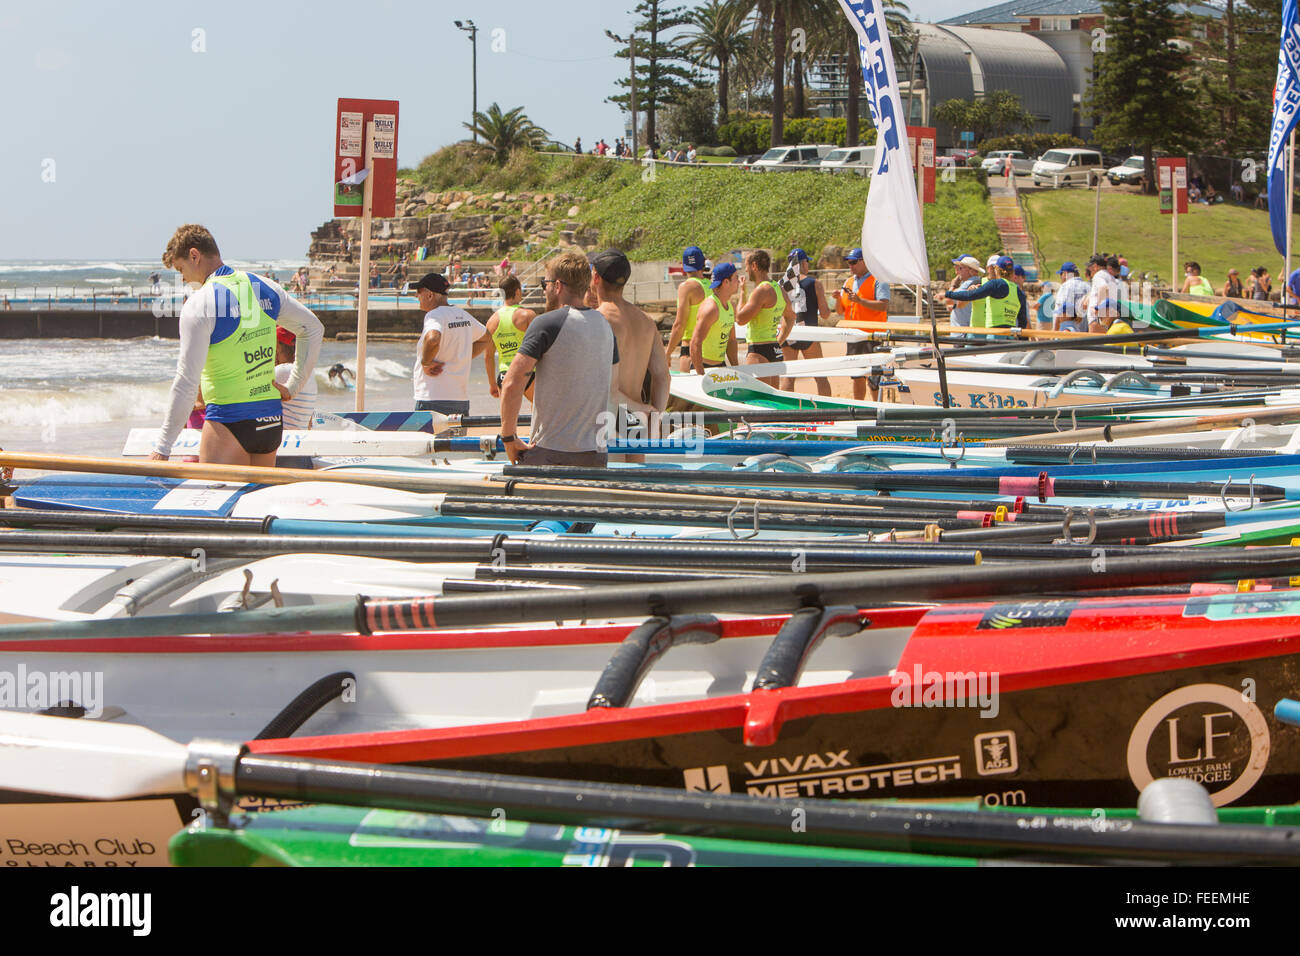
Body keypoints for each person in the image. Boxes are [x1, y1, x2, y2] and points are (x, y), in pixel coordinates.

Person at [150, 224, 322, 465]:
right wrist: (294, 386)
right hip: (270, 420)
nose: (183, 278)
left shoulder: (201, 303)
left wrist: (163, 447)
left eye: (181, 268)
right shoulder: (265, 286)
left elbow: (187, 382)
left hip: (228, 422)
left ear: (194, 255)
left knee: (221, 500)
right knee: (258, 501)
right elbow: (313, 328)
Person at [498, 250, 619, 466]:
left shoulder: (547, 323)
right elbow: (612, 387)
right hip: (595, 454)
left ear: (558, 285)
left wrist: (509, 438)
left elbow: (511, 384)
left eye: (545, 283)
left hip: (551, 450)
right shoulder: (606, 327)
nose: (544, 290)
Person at [589, 249, 670, 462]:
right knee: (634, 489)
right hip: (636, 419)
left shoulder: (597, 320)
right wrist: (655, 418)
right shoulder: (646, 321)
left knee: (607, 490)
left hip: (607, 415)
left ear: (595, 277)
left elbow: (605, 386)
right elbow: (663, 376)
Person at [412, 272, 488, 417]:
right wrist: (463, 355)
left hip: (432, 397)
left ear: (429, 295)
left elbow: (433, 339)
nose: (417, 296)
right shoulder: (462, 314)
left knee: (429, 440)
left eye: (419, 292)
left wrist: (426, 363)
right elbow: (486, 338)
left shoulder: (434, 315)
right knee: (456, 440)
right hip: (460, 399)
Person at [836, 248, 890, 400]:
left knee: (874, 376)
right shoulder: (849, 281)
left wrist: (861, 301)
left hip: (873, 335)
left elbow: (883, 305)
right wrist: (837, 299)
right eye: (848, 262)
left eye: (853, 262)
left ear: (864, 262)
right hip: (853, 336)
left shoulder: (878, 279)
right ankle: (859, 408)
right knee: (857, 375)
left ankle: (876, 407)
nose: (850, 266)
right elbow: (840, 310)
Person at [781, 249, 832, 396]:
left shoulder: (783, 284)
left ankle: (786, 413)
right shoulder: (814, 283)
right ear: (803, 263)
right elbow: (825, 313)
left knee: (789, 378)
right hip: (808, 333)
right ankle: (826, 412)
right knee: (820, 377)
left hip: (789, 331)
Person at [735, 249, 795, 365]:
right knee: (772, 384)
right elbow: (791, 317)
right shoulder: (779, 289)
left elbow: (740, 319)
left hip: (758, 350)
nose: (746, 270)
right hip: (774, 349)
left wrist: (742, 293)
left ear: (754, 266)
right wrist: (779, 341)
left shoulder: (761, 290)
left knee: (755, 384)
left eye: (746, 266)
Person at [485, 275, 537, 403]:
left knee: (507, 422)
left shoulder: (491, 321)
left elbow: (488, 356)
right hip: (528, 373)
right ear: (517, 291)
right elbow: (540, 348)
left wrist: (492, 384)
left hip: (504, 375)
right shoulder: (527, 315)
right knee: (539, 414)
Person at [942, 256, 1019, 342]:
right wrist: (970, 292)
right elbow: (961, 304)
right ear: (987, 268)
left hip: (994, 330)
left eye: (995, 267)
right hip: (977, 331)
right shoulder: (979, 282)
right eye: (991, 267)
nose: (994, 270)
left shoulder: (1007, 286)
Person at [691, 261, 741, 374]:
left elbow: (731, 341)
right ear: (726, 282)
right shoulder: (711, 308)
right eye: (736, 278)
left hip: (720, 365)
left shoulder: (730, 306)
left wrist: (736, 369)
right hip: (703, 367)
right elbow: (695, 343)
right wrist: (700, 375)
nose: (738, 281)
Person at [666, 245, 709, 371]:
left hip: (690, 350)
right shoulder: (712, 287)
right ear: (703, 264)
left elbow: (679, 324)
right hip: (711, 350)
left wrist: (668, 353)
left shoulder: (686, 287)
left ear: (684, 265)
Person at [274, 327, 317, 430]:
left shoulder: (281, 371)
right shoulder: (309, 373)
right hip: (298, 440)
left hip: (283, 440)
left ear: (278, 347)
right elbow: (309, 424)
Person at [946, 255, 984, 334]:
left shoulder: (970, 283)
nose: (958, 270)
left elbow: (948, 300)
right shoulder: (970, 282)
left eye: (960, 268)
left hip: (962, 331)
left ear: (970, 271)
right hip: (962, 329)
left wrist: (953, 285)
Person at [1084, 253, 1121, 333]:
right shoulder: (1110, 277)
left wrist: (1099, 307)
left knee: (1095, 343)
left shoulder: (1098, 275)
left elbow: (1103, 287)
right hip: (1107, 317)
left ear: (1096, 266)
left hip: (1096, 318)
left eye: (1090, 267)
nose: (1089, 269)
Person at [1052, 262, 1090, 333]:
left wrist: (1053, 334)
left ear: (1065, 274)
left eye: (1061, 274)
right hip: (1085, 335)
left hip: (1066, 334)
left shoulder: (1065, 287)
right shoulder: (1088, 287)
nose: (1060, 277)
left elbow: (1060, 313)